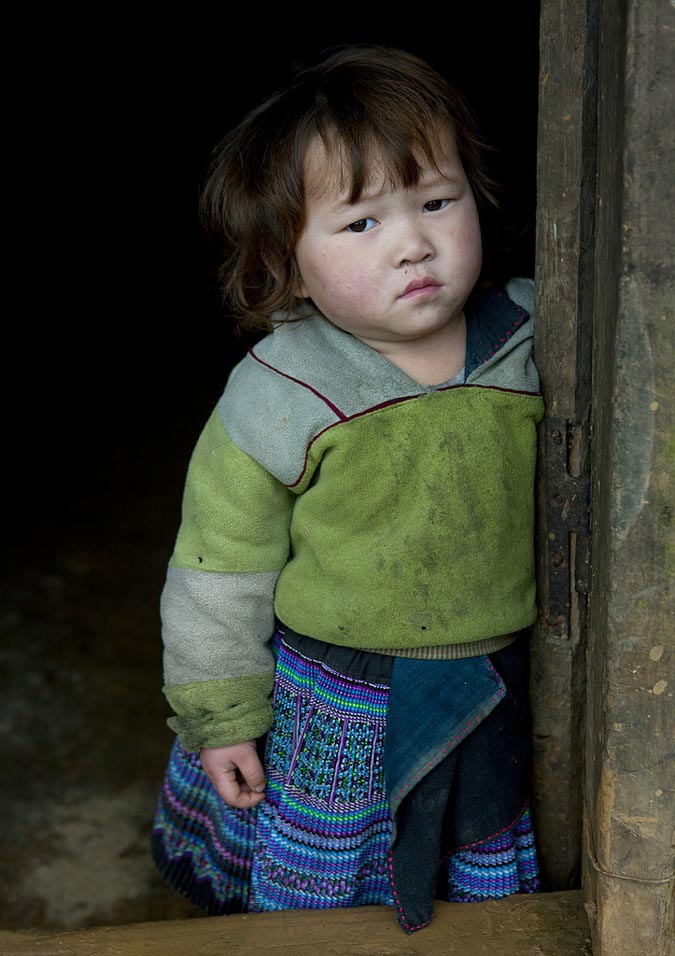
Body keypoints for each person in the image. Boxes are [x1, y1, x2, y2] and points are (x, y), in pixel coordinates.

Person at [151, 44, 543, 934]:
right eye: (361, 224)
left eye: (437, 202)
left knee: (473, 898)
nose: (414, 242)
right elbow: (219, 568)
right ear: (284, 262)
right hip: (337, 693)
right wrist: (221, 717)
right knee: (329, 907)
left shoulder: (532, 335)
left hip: (493, 676)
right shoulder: (280, 393)